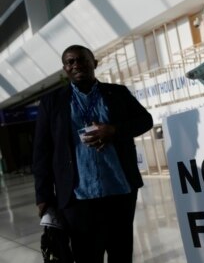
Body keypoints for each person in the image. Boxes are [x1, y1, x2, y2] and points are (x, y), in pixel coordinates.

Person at [33, 44, 153, 263]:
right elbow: (42, 151)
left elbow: (146, 120)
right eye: (70, 62)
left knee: (121, 254)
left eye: (82, 59)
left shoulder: (117, 93)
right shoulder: (52, 102)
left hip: (119, 191)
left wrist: (114, 131)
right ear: (65, 69)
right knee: (87, 256)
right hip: (78, 197)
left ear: (94, 63)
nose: (77, 65)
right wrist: (43, 196)